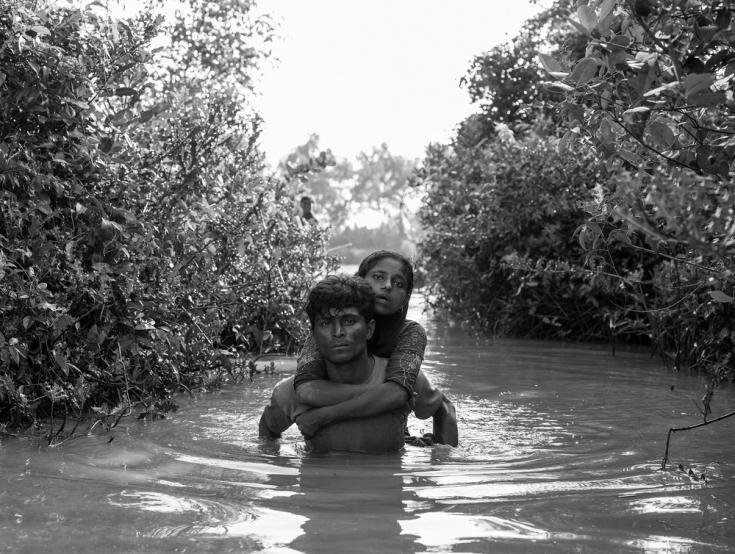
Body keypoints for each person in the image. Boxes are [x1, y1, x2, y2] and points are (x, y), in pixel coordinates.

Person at [293, 250, 458, 446]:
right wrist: (384, 394)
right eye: (379, 277)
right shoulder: (330, 327)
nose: (387, 286)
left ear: (405, 299)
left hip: (419, 409)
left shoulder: (410, 332)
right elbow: (306, 391)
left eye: (398, 284)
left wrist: (323, 416)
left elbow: (398, 394)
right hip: (383, 400)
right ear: (359, 282)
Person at [259, 275, 409, 452]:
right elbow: (267, 432)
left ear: (369, 329)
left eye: (349, 321)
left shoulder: (398, 378)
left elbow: (443, 410)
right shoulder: (290, 392)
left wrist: (441, 457)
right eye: (325, 323)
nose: (337, 332)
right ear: (313, 335)